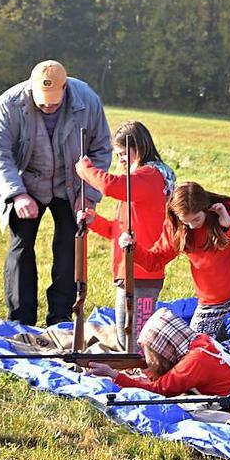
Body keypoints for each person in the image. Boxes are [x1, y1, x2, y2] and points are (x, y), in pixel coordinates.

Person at [0, 60, 111, 326]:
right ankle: (21, 319)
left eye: (54, 101)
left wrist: (87, 194)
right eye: (43, 100)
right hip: (26, 183)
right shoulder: (9, 103)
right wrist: (17, 194)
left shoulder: (88, 101)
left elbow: (101, 149)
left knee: (69, 247)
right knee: (21, 245)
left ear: (66, 88)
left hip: (72, 184)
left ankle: (61, 318)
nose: (47, 105)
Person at [122, 182, 230, 360]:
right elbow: (155, 261)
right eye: (185, 221)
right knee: (195, 355)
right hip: (210, 301)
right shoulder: (177, 226)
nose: (191, 226)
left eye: (196, 219)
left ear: (207, 209)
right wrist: (132, 248)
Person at [76, 121, 176, 350]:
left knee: (135, 340)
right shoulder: (137, 179)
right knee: (125, 334)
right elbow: (118, 229)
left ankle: (146, 371)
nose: (120, 159)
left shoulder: (149, 176)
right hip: (127, 268)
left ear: (138, 149)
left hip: (143, 269)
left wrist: (85, 170)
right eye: (117, 154)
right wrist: (94, 221)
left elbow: (111, 186)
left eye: (123, 153)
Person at [87, 308, 230, 396]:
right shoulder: (200, 341)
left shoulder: (194, 361)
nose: (146, 357)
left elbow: (159, 390)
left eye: (150, 351)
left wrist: (114, 375)